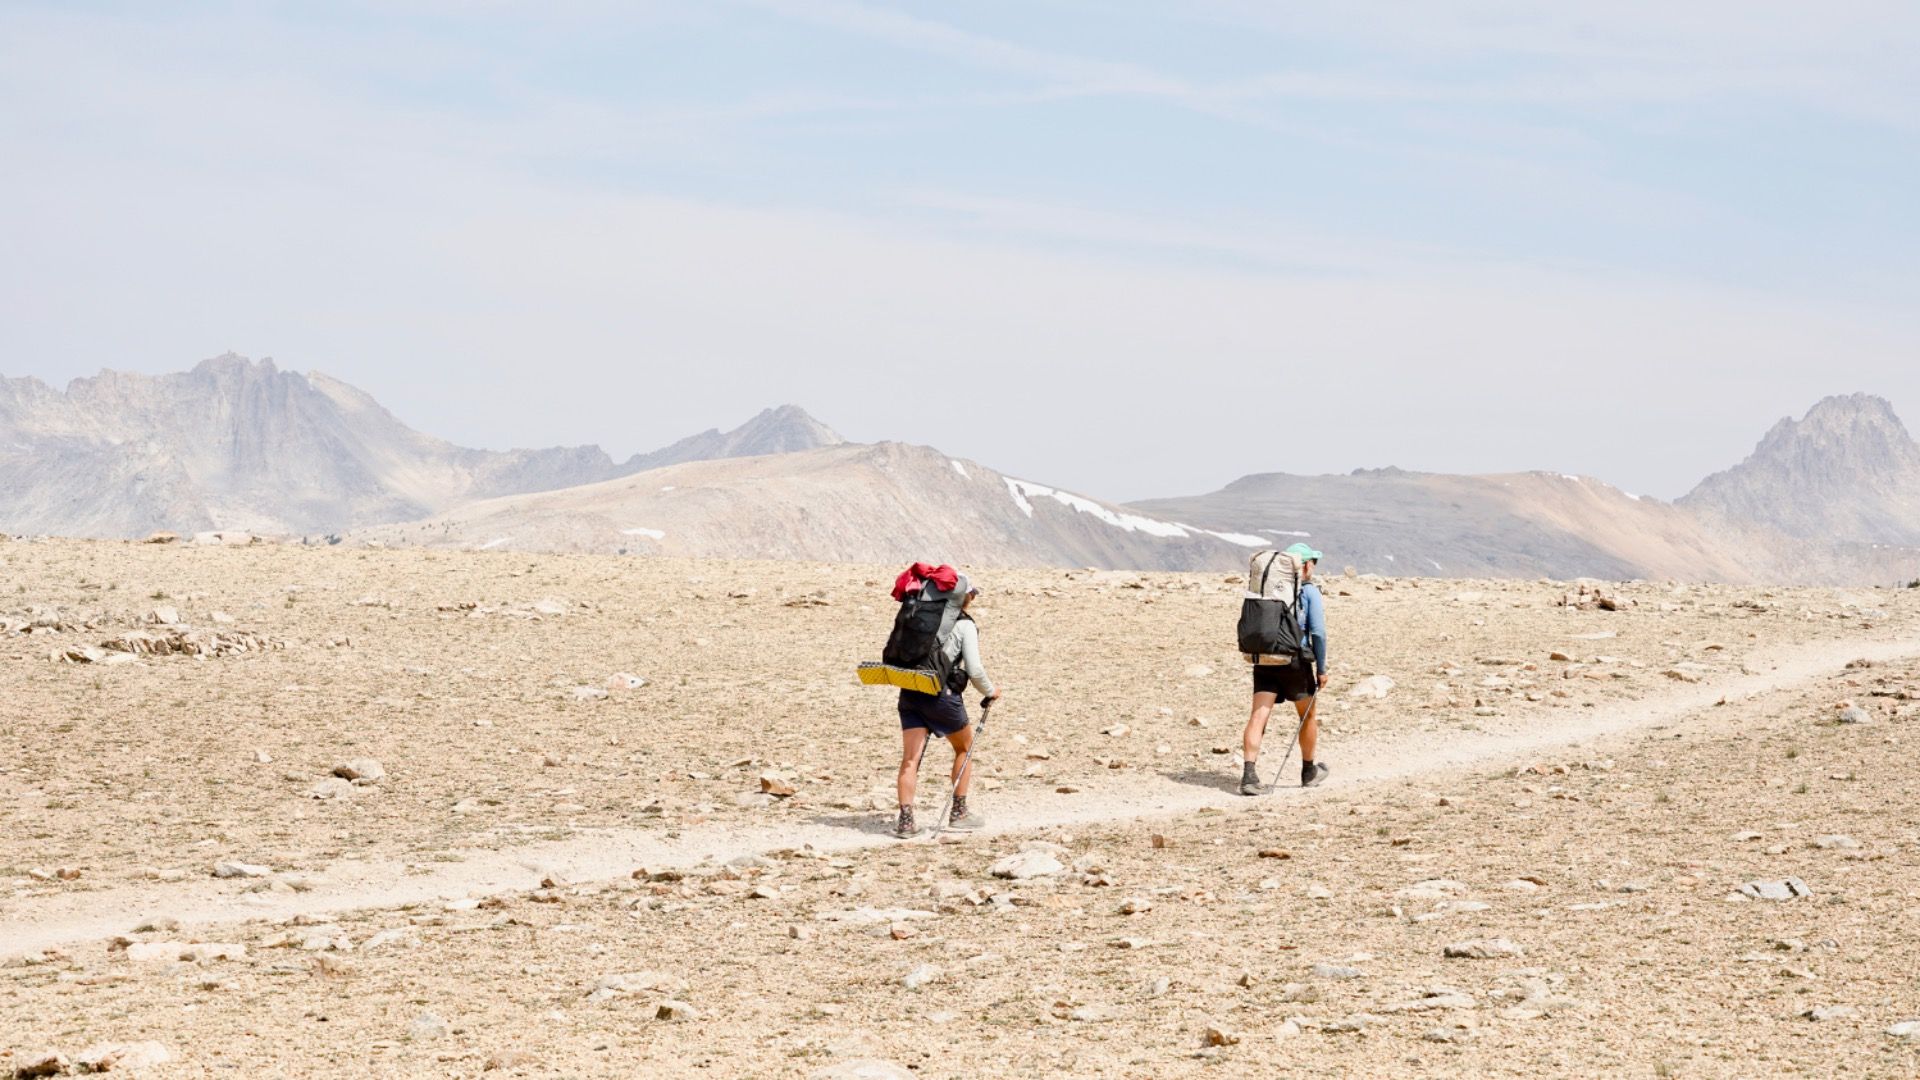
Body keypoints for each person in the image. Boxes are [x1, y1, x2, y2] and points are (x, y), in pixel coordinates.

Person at [894, 582, 1001, 838]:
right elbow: (974, 669)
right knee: (964, 747)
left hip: (910, 691)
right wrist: (990, 691)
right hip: (941, 696)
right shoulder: (964, 625)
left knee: (911, 759)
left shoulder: (919, 619)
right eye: (972, 594)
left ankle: (906, 822)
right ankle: (959, 813)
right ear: (965, 598)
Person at [1240, 543, 1329, 794]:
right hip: (1294, 662)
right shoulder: (1309, 591)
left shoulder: (1266, 592)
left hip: (1265, 658)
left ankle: (1248, 775)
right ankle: (1309, 771)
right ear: (1306, 565)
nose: (1313, 567)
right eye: (1313, 562)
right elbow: (1318, 633)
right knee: (1307, 715)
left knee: (1258, 715)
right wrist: (1321, 669)